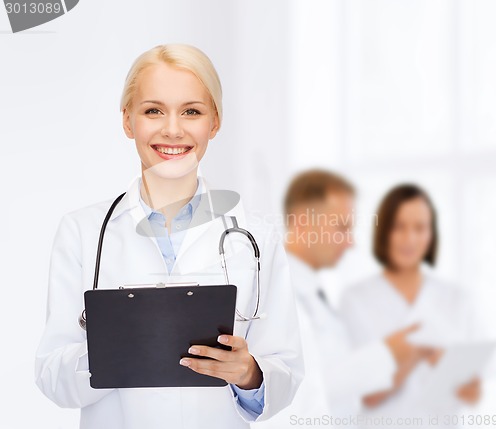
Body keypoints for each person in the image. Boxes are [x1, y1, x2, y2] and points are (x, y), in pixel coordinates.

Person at [35, 44, 303, 429]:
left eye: (191, 111)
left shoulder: (255, 237)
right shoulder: (82, 232)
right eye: (153, 110)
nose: (173, 129)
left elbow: (286, 369)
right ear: (128, 121)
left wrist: (248, 374)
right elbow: (51, 374)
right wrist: (108, 353)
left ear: (215, 121)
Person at [253, 170, 424, 429]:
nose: (350, 242)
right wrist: (387, 353)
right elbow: (297, 388)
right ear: (302, 223)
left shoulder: (313, 292)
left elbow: (335, 383)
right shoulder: (277, 292)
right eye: (342, 227)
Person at [340, 184, 480, 427]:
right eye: (399, 227)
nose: (410, 239)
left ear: (431, 234)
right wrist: (416, 354)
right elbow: (364, 395)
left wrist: (454, 373)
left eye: (420, 228)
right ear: (384, 231)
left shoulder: (457, 299)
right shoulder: (355, 300)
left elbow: (472, 393)